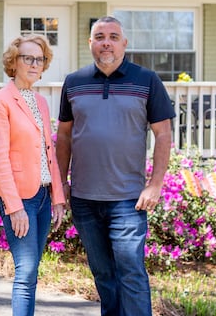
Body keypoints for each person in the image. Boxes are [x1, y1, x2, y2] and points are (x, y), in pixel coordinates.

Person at [56, 16, 175, 316]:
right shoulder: (74, 82)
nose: (105, 42)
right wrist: (61, 182)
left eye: (113, 36)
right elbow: (65, 135)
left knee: (131, 273)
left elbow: (163, 134)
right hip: (84, 198)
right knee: (104, 276)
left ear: (124, 43)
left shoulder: (146, 80)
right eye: (99, 36)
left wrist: (155, 183)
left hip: (128, 199)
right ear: (90, 43)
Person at [0, 34, 67, 316]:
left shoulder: (40, 101)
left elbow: (48, 152)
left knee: (33, 270)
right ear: (13, 61)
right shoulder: (0, 101)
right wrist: (14, 206)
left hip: (43, 195)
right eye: (27, 58)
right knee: (26, 270)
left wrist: (57, 197)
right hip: (20, 199)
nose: (34, 64)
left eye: (39, 59)